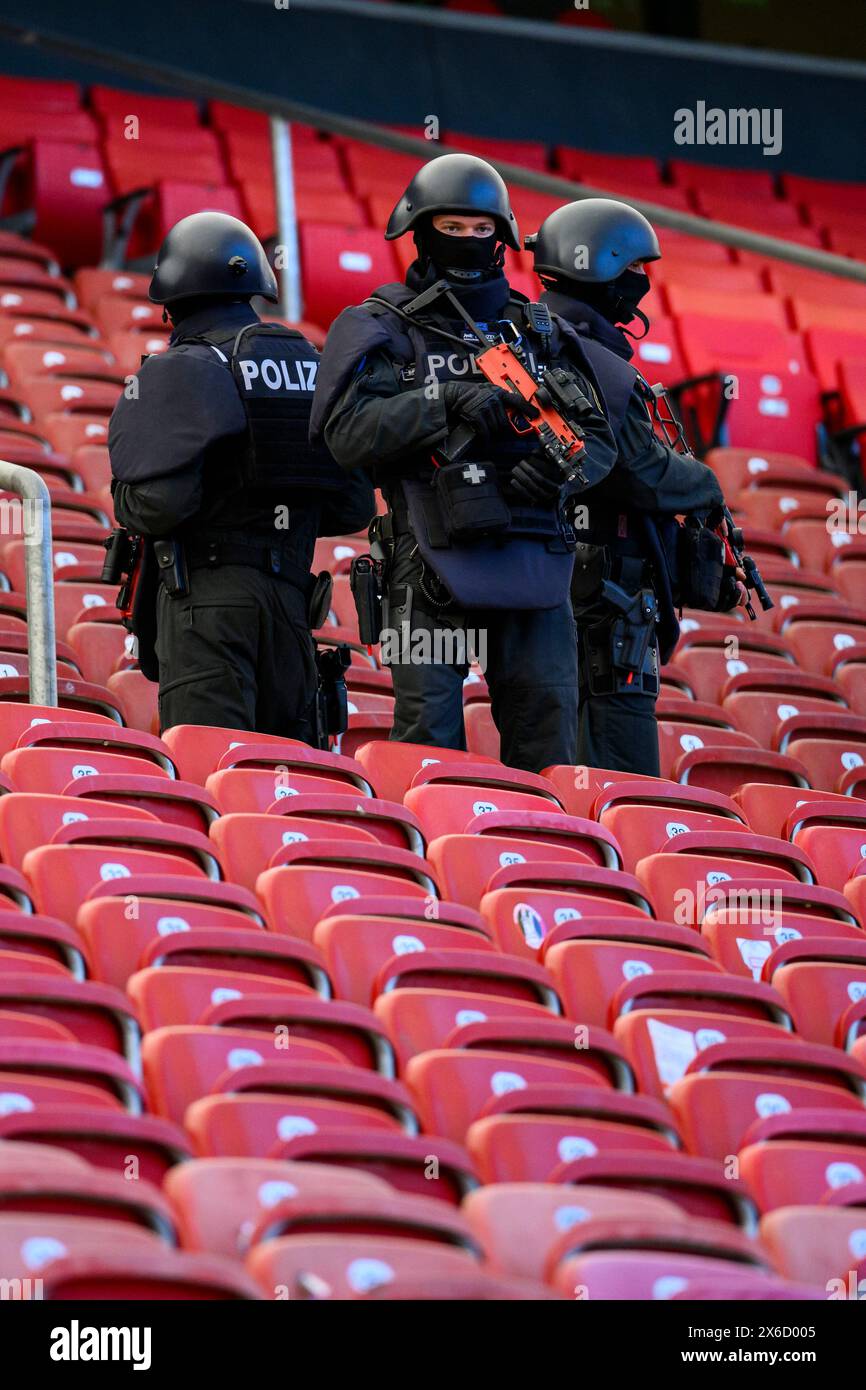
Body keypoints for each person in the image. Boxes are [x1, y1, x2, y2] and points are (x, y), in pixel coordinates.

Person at [310, 155, 618, 772]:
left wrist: (559, 472)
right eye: (452, 228)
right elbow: (344, 436)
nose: (470, 242)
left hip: (534, 561)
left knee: (548, 747)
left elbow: (599, 444)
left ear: (502, 236)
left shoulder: (539, 331)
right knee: (430, 749)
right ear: (419, 229)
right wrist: (442, 401)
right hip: (426, 568)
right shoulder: (380, 326)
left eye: (482, 230)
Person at [109, 211, 374, 739]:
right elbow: (353, 506)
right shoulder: (310, 364)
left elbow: (160, 505)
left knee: (215, 766)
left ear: (172, 300)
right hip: (292, 609)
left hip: (208, 605)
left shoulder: (181, 368)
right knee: (289, 781)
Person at [526, 197, 743, 777]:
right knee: (620, 776)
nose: (640, 284)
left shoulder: (537, 340)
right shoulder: (586, 356)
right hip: (602, 602)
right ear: (600, 269)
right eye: (632, 271)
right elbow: (640, 472)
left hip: (554, 588)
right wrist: (707, 484)